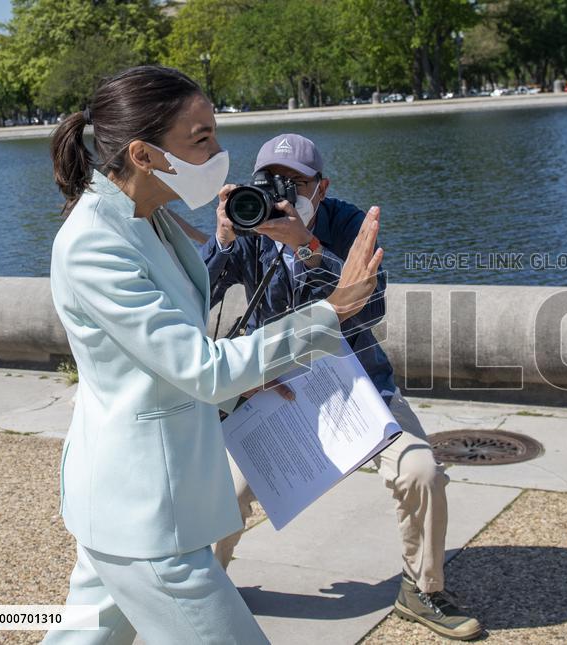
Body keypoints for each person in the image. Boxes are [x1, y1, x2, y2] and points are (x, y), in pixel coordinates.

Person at [44, 66, 382, 644]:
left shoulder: (146, 219)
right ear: (143, 154)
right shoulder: (96, 243)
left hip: (131, 503)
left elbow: (171, 356)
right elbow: (199, 368)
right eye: (201, 138)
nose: (220, 152)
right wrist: (333, 310)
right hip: (148, 515)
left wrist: (245, 378)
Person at [199, 133, 483, 641]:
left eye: (296, 182)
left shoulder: (347, 222)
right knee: (223, 491)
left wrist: (306, 248)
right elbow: (196, 296)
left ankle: (422, 589)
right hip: (276, 385)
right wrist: (221, 238)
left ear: (321, 187)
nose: (280, 191)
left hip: (356, 381)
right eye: (269, 179)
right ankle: (204, 588)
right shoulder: (248, 217)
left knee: (421, 471)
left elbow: (371, 308)